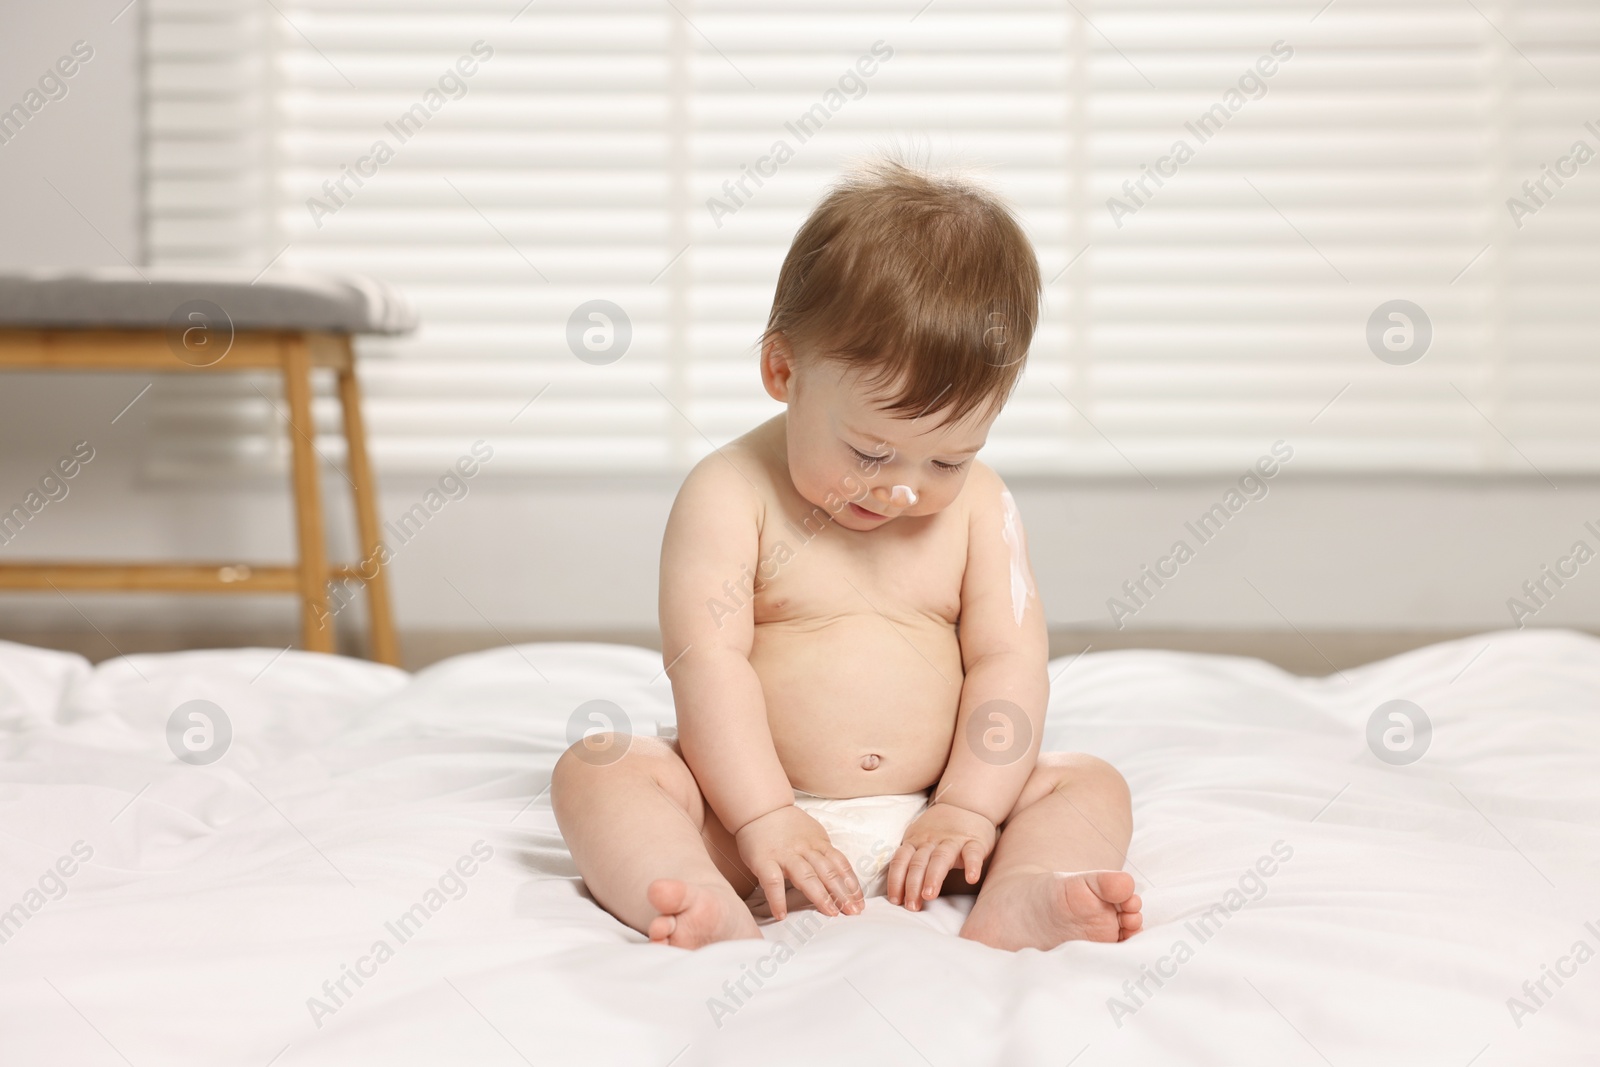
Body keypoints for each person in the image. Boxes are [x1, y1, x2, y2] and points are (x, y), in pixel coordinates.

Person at [552, 156, 1142, 951]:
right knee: (598, 768)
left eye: (945, 460)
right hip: (749, 813)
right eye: (869, 452)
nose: (903, 489)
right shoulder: (730, 492)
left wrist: (969, 806)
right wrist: (765, 814)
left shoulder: (982, 507)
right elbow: (708, 664)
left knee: (1088, 784)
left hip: (934, 821)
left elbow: (1009, 662)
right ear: (783, 370)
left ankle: (1023, 890)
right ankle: (693, 891)